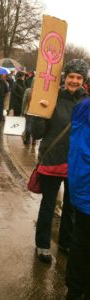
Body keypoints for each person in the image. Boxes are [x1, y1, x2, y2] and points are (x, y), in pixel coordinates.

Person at [31, 59, 89, 264]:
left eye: (79, 77)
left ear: (84, 80)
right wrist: (39, 112)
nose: (74, 80)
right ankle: (43, 245)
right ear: (65, 77)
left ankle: (65, 242)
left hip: (76, 164)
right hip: (53, 159)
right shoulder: (51, 97)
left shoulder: (86, 103)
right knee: (48, 205)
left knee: (72, 207)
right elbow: (36, 133)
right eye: (71, 76)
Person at [65, 97, 90, 299]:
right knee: (82, 241)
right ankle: (75, 290)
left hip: (82, 187)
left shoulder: (83, 107)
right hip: (86, 189)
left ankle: (75, 289)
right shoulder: (85, 108)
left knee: (81, 241)